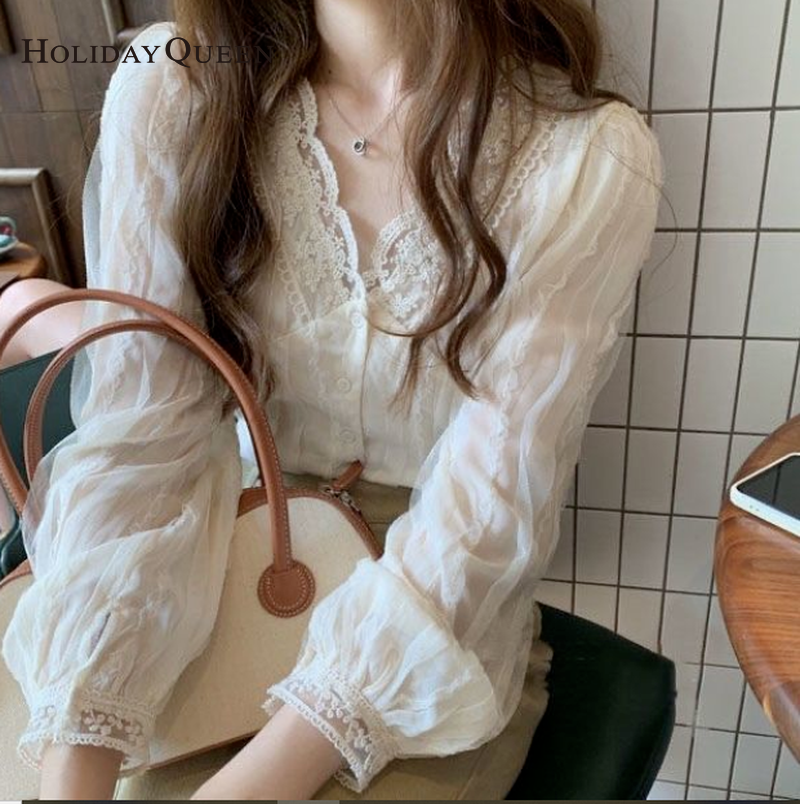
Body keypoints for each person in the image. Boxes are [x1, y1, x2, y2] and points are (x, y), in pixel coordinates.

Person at [0, 0, 664, 799]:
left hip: (428, 622)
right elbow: (145, 438)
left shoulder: (584, 157)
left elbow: (487, 513)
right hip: (218, 546)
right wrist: (79, 746)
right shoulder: (175, 86)